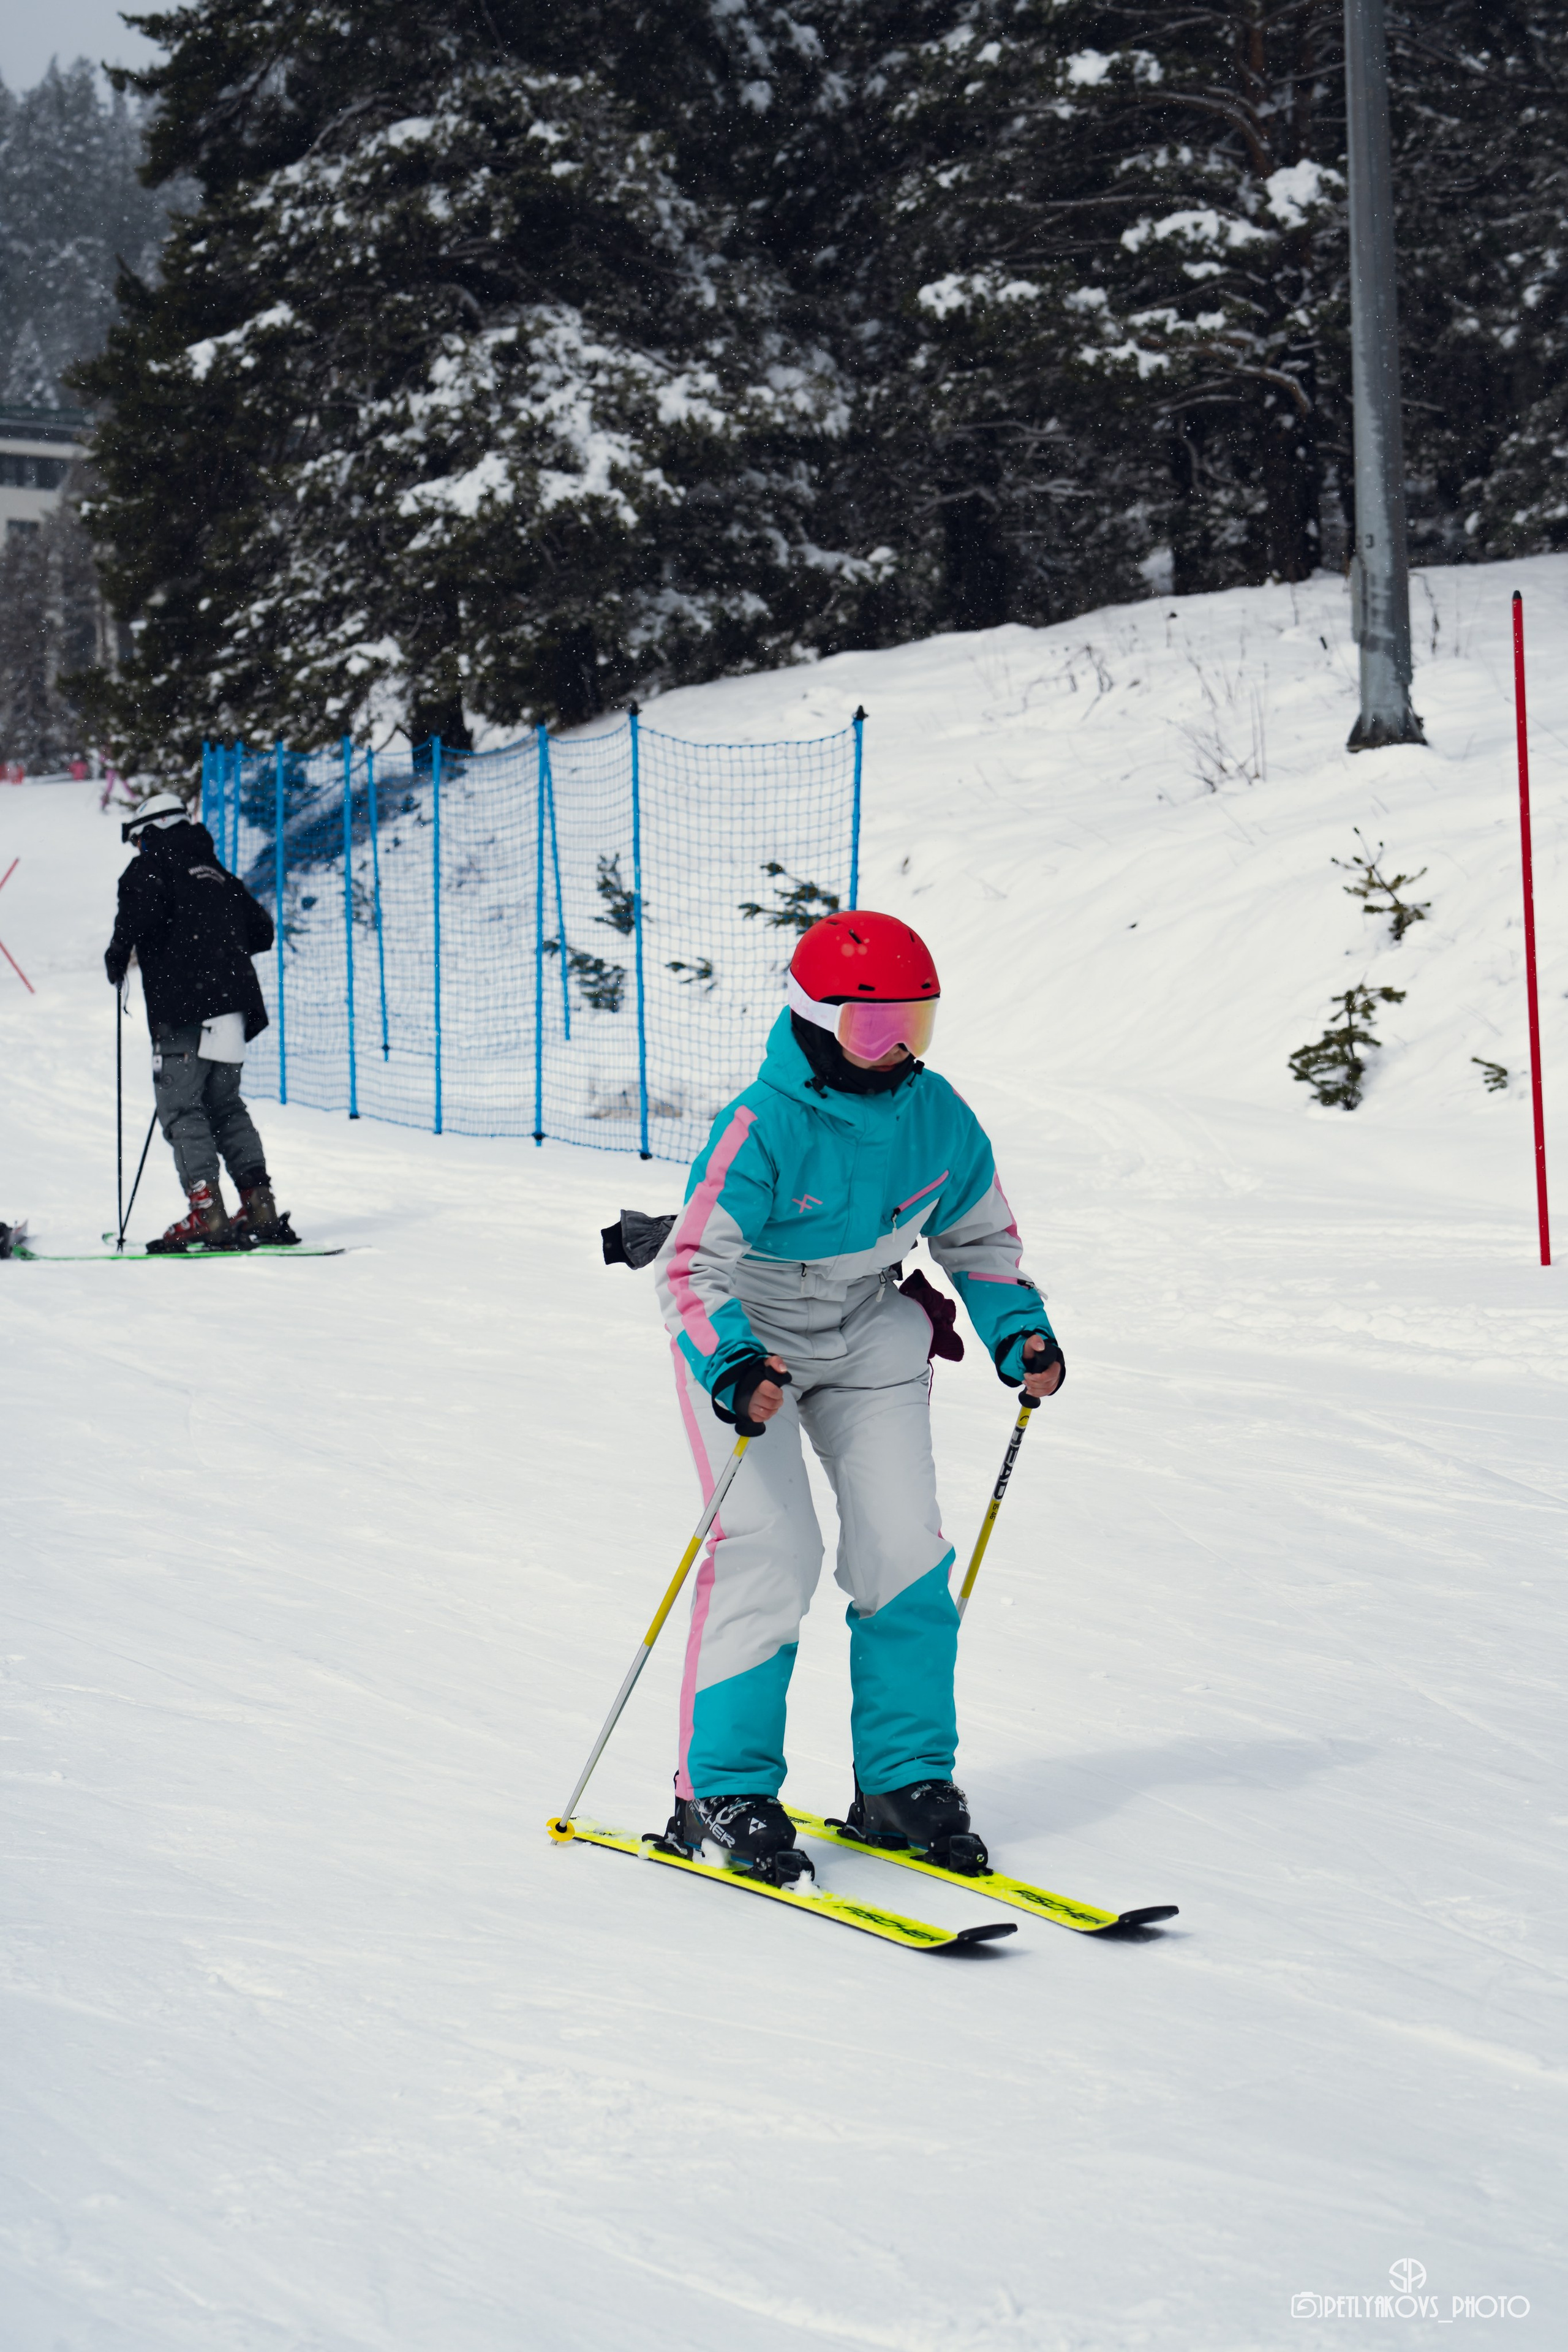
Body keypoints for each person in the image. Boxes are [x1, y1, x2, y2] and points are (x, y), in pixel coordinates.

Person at [654, 910, 1063, 1876]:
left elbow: (978, 1238)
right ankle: (721, 1790)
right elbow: (689, 1269)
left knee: (903, 1551)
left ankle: (901, 1781)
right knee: (771, 1549)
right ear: (815, 1017)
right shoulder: (761, 1123)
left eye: (915, 1025)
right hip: (751, 1335)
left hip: (868, 1325)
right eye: (872, 1029)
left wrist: (1019, 1328)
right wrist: (734, 1364)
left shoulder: (938, 1114)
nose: (896, 1052)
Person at [105, 791, 296, 1253]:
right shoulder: (218, 873)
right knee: (225, 1108)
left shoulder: (150, 867)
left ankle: (208, 1216)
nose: (137, 850)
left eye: (138, 840)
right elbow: (262, 932)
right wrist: (214, 942)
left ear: (152, 832)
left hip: (183, 1012)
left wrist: (118, 953)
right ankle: (261, 1208)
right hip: (234, 1009)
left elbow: (138, 916)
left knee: (182, 1110)